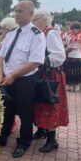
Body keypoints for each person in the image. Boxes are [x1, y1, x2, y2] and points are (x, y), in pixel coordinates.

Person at [0, 0, 46, 158]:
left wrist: (13, 75)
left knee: (25, 114)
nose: (16, 14)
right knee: (6, 110)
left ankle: (24, 142)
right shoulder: (11, 34)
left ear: (31, 14)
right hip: (6, 79)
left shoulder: (37, 35)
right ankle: (2, 137)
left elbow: (35, 61)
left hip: (24, 81)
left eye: (20, 11)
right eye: (15, 11)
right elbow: (1, 56)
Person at [32, 10, 68, 153]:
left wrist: (41, 61)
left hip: (51, 75)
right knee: (39, 103)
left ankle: (52, 140)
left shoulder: (51, 33)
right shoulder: (40, 34)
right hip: (42, 74)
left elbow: (60, 56)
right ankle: (41, 131)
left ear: (43, 20)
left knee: (49, 105)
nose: (33, 23)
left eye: (35, 19)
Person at [64, 21, 81, 92]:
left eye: (74, 29)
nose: (72, 30)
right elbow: (66, 43)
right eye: (72, 29)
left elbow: (72, 47)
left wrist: (63, 51)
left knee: (76, 72)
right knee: (70, 71)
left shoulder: (80, 36)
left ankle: (76, 86)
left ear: (78, 29)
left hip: (77, 56)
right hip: (70, 56)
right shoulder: (71, 35)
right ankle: (70, 86)